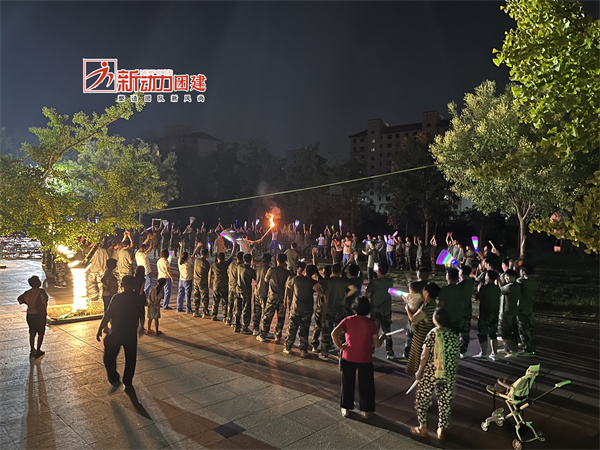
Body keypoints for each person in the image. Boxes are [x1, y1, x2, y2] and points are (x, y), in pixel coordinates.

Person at [332, 296, 385, 419]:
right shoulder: (371, 324)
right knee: (366, 384)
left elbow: (334, 333)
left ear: (355, 307)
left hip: (349, 356)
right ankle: (367, 410)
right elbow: (377, 344)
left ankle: (346, 408)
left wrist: (340, 346)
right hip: (365, 357)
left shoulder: (348, 320)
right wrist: (382, 338)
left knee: (347, 382)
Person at [411, 308, 460, 440]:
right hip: (448, 374)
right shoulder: (454, 336)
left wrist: (419, 371)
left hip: (431, 373)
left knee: (422, 399)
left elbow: (424, 355)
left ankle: (422, 427)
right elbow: (456, 357)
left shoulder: (433, 334)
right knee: (444, 401)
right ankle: (441, 429)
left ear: (435, 320)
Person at [96, 275, 146, 394]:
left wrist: (100, 328)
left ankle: (114, 378)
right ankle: (127, 381)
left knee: (109, 357)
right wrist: (141, 326)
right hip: (130, 333)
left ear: (122, 285)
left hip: (117, 332)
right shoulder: (138, 298)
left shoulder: (117, 298)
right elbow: (142, 314)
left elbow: (108, 314)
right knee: (130, 359)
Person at [320, 263, 358, 360]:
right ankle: (342, 351)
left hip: (328, 309)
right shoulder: (343, 281)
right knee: (340, 332)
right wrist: (345, 296)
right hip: (340, 309)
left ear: (332, 271)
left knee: (326, 331)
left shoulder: (326, 281)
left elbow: (316, 286)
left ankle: (324, 351)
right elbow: (354, 289)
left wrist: (323, 295)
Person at [283, 264, 323, 357]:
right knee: (304, 330)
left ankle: (288, 347)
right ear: (313, 273)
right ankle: (303, 350)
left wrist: (285, 300)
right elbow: (319, 287)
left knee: (292, 328)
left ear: (305, 270)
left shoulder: (296, 279)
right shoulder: (313, 282)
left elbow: (288, 287)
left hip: (295, 308)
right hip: (307, 310)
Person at [406, 282, 440, 375]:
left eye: (424, 290)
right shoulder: (435, 304)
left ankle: (419, 376)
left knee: (420, 360)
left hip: (421, 337)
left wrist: (407, 309)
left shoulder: (426, 307)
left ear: (427, 293)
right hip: (429, 334)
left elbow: (414, 319)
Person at [257, 253, 290, 343]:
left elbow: (266, 280)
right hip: (282, 298)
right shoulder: (287, 273)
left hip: (272, 297)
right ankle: (278, 336)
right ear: (285, 261)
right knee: (280, 319)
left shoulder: (271, 270)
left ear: (277, 260)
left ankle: (263, 335)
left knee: (267, 317)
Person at [366, 261, 395, 360]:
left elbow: (368, 295)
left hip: (375, 309)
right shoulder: (390, 281)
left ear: (378, 270)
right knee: (387, 331)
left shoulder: (374, 282)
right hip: (386, 309)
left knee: (374, 331)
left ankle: (371, 351)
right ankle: (390, 352)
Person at [18, 276, 49, 358]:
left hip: (30, 315)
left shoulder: (27, 292)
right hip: (40, 314)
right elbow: (44, 301)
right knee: (41, 332)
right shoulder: (41, 292)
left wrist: (28, 303)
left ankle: (32, 349)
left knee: (32, 332)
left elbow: (20, 299)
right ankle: (38, 350)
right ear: (38, 283)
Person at [473, 271, 501, 360]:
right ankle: (494, 353)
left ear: (488, 277)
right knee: (493, 334)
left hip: (485, 314)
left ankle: (483, 354)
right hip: (494, 313)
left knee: (483, 334)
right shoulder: (497, 288)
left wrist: (478, 288)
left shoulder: (484, 288)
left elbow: (477, 297)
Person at [498, 269, 521, 356]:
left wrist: (498, 280)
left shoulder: (510, 287)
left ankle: (512, 350)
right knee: (510, 330)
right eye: (506, 277)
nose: (506, 278)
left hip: (506, 312)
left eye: (509, 277)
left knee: (505, 331)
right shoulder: (517, 285)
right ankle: (507, 348)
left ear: (514, 277)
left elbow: (499, 290)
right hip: (511, 311)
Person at [311, 264, 332, 353]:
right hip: (329, 308)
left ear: (324, 272)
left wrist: (314, 257)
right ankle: (328, 345)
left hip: (320, 307)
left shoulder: (321, 281)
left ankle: (314, 344)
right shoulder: (332, 282)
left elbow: (316, 272)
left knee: (317, 327)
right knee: (328, 328)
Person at [517, 265, 536, 355]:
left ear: (523, 272)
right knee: (530, 328)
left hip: (521, 307)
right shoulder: (533, 282)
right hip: (529, 306)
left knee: (523, 328)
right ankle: (531, 346)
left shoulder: (521, 282)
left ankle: (527, 348)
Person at [209, 250, 234, 321]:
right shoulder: (226, 264)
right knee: (225, 302)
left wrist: (209, 284)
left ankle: (214, 315)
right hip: (224, 286)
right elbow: (231, 257)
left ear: (217, 258)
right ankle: (225, 316)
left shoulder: (214, 265)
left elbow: (210, 275)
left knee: (215, 301)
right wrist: (234, 247)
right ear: (224, 258)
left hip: (216, 286)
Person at [235, 253, 256, 333]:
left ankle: (236, 325)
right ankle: (245, 327)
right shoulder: (250, 271)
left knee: (238, 308)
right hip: (246, 291)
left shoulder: (239, 267)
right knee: (246, 309)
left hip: (238, 289)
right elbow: (255, 277)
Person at [176, 242, 200, 313]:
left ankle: (179, 307)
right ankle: (188, 309)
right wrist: (198, 246)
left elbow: (180, 255)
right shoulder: (188, 263)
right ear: (187, 258)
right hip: (187, 280)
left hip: (181, 280)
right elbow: (194, 254)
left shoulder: (179, 262)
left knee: (180, 294)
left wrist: (181, 247)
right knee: (187, 295)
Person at [252, 253, 271, 335]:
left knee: (257, 311)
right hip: (264, 292)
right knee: (265, 313)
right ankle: (264, 331)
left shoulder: (259, 268)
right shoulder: (269, 269)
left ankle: (255, 329)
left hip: (257, 292)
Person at [192, 248, 211, 318]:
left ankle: (196, 311)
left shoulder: (197, 260)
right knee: (204, 297)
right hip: (202, 281)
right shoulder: (206, 263)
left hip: (196, 281)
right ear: (206, 254)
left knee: (196, 296)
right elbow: (209, 272)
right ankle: (205, 312)